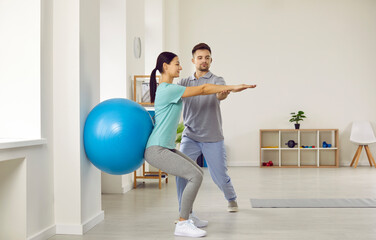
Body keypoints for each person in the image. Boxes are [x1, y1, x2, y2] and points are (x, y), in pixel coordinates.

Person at [144, 51, 255, 238]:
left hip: (166, 147)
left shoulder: (169, 88)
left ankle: (189, 215)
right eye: (177, 64)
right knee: (195, 176)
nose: (180, 67)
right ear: (165, 67)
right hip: (157, 149)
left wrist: (224, 92)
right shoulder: (168, 88)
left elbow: (208, 90)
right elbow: (203, 89)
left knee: (196, 172)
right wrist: (236, 87)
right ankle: (182, 223)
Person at [176, 43, 257, 224]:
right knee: (182, 172)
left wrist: (224, 94)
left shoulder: (218, 80)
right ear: (193, 60)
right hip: (190, 136)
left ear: (211, 60)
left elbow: (220, 95)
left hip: (212, 137)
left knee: (219, 176)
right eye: (200, 57)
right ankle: (184, 211)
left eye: (207, 57)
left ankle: (231, 198)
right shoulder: (183, 82)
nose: (203, 61)